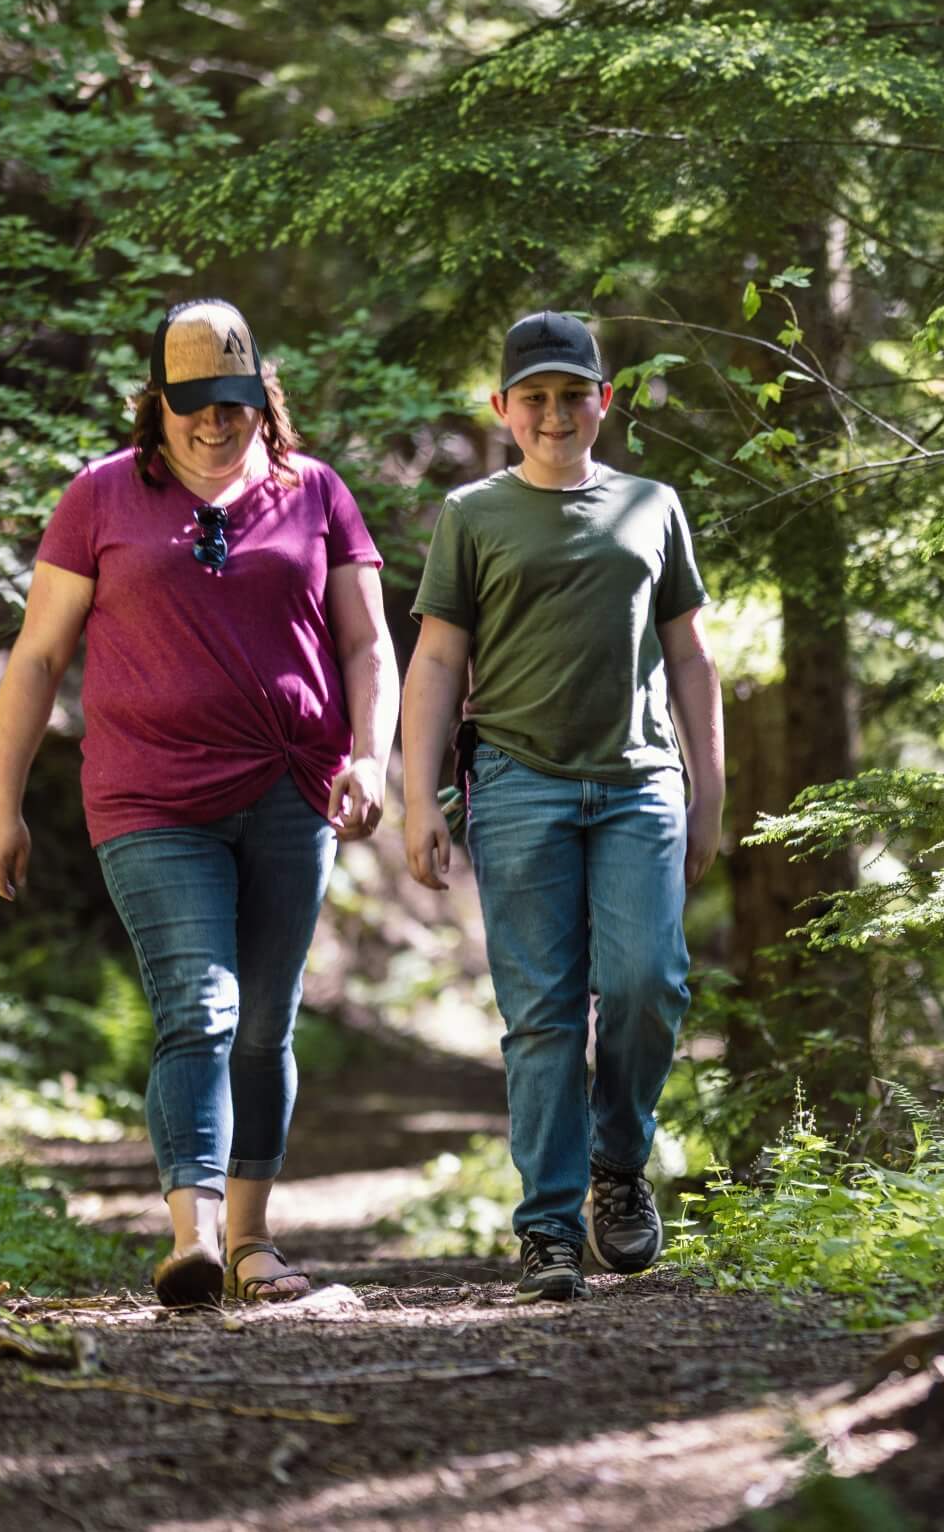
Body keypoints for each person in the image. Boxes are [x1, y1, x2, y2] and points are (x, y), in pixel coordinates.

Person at [0, 298, 392, 1308]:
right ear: (156, 402)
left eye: (234, 400)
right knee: (199, 1008)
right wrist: (3, 803)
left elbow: (369, 644)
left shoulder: (317, 494)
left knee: (264, 1026)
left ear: (263, 398)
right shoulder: (100, 498)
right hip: (150, 796)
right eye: (193, 401)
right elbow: (36, 657)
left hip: (293, 789)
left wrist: (373, 759)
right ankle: (192, 1239)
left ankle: (251, 1243)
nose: (215, 421)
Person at [401, 309, 723, 1302]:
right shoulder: (474, 514)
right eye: (533, 398)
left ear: (602, 400)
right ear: (502, 407)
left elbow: (689, 656)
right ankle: (546, 1227)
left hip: (638, 784)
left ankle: (618, 1166)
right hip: (519, 783)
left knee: (646, 983)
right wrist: (420, 796)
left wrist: (710, 793)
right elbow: (438, 659)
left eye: (571, 395)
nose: (553, 414)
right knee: (541, 1015)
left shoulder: (652, 506)